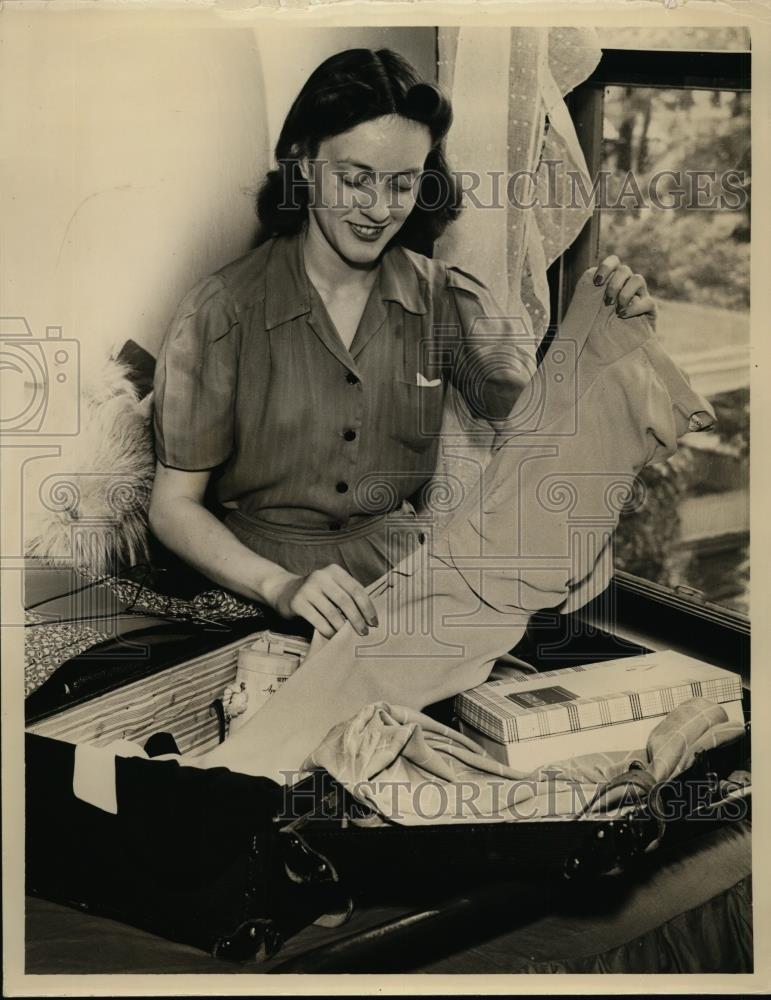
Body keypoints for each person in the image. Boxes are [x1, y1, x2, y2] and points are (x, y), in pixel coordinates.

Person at [148, 47, 656, 643]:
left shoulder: (451, 303)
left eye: (402, 183)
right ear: (304, 162)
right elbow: (173, 506)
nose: (379, 209)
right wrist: (279, 587)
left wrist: (611, 337)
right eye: (356, 178)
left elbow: (540, 430)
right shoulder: (220, 313)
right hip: (248, 602)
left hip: (406, 603)